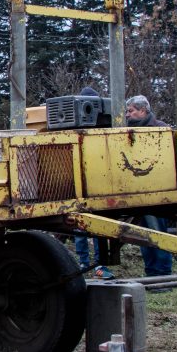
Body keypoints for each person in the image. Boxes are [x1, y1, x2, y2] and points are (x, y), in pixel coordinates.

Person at [124, 95, 173, 281]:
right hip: (139, 190)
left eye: (131, 111)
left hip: (158, 190)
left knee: (157, 232)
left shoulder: (161, 129)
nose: (128, 115)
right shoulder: (129, 132)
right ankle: (152, 273)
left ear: (143, 111)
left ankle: (163, 275)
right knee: (145, 236)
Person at [72, 87, 112, 278]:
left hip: (95, 186)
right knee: (81, 227)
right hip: (85, 187)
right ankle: (87, 263)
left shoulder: (103, 129)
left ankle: (96, 264)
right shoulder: (74, 130)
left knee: (94, 228)